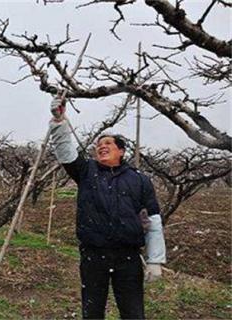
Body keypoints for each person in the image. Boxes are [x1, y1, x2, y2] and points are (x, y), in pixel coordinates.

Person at [49, 96, 166, 319]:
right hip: (93, 256)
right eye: (98, 146)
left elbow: (153, 219)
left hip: (128, 258)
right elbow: (66, 152)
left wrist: (154, 260)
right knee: (92, 311)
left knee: (133, 312)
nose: (101, 147)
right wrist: (59, 121)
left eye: (108, 144)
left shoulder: (139, 180)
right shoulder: (86, 172)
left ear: (121, 151)